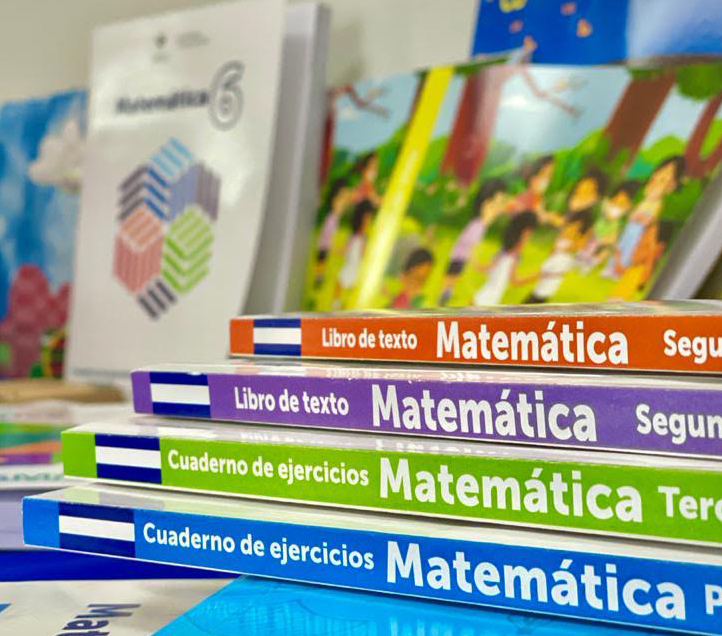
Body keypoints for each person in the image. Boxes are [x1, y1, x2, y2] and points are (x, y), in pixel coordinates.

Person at [611, 156, 685, 278]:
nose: (662, 176)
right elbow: (637, 207)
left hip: (640, 228)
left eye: (668, 174)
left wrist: (645, 219)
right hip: (633, 223)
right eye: (663, 171)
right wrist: (633, 214)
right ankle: (612, 266)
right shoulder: (646, 193)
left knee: (632, 247)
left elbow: (653, 216)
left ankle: (622, 268)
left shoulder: (660, 201)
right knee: (623, 243)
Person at [438, 178, 508, 306]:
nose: (496, 211)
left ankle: (447, 294)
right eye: (494, 206)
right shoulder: (477, 226)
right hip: (459, 256)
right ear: (484, 205)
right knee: (452, 275)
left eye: (498, 206)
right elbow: (468, 245)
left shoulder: (480, 226)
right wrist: (474, 261)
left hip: (460, 256)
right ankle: (445, 295)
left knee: (454, 276)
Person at [524, 209, 594, 303]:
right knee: (543, 288)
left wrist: (565, 248)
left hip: (561, 260)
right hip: (559, 258)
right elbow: (558, 222)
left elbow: (579, 245)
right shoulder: (570, 229)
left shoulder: (578, 233)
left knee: (544, 288)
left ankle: (530, 305)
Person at [472, 210, 538, 306]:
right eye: (528, 234)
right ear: (522, 234)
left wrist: (475, 261)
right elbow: (514, 281)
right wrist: (535, 276)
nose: (529, 238)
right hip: (488, 302)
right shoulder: (513, 257)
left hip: (480, 297)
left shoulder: (503, 251)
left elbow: (487, 269)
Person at [579, 180, 639, 270]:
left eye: (623, 201)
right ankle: (584, 255)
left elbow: (618, 231)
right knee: (592, 242)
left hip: (609, 235)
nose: (619, 202)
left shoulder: (624, 212)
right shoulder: (606, 204)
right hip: (597, 231)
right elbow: (601, 216)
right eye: (617, 199)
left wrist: (610, 238)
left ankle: (592, 262)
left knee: (606, 249)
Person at [611, 221, 674, 300]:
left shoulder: (651, 246)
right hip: (637, 271)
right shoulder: (652, 245)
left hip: (638, 271)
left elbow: (644, 259)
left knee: (619, 296)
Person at [313, 180, 351, 289]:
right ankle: (319, 278)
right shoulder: (332, 218)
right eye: (340, 200)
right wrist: (334, 249)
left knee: (323, 259)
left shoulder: (335, 217)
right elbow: (327, 237)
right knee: (322, 258)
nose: (343, 205)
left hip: (327, 244)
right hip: (325, 244)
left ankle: (320, 277)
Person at [336, 200, 375, 302]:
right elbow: (347, 247)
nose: (368, 222)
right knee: (341, 280)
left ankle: (348, 301)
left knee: (352, 283)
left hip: (356, 265)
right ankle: (337, 301)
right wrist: (341, 251)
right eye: (366, 219)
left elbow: (363, 252)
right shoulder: (354, 236)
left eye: (369, 219)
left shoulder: (363, 238)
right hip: (350, 262)